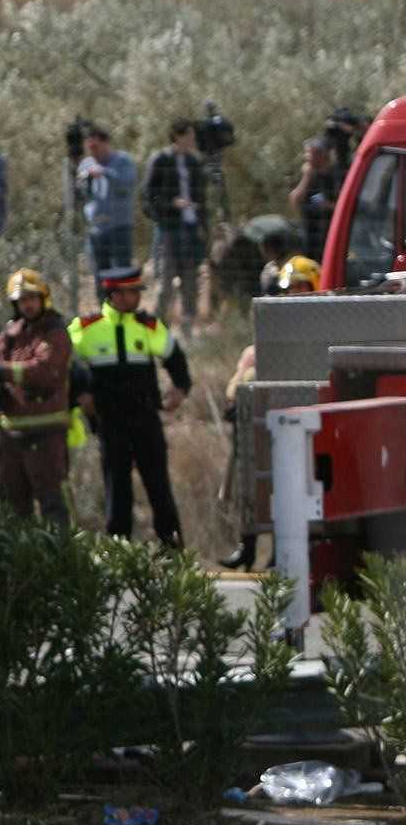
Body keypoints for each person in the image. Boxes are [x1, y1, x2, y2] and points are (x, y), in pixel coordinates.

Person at [69, 265, 190, 547]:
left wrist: (181, 388)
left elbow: (174, 356)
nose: (135, 298)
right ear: (113, 294)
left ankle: (172, 551)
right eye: (129, 292)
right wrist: (80, 394)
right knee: (117, 490)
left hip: (145, 418)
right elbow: (65, 362)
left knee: (159, 486)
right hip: (110, 421)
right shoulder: (86, 328)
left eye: (137, 291)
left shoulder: (148, 326)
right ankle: (118, 553)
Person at [220, 255, 319, 569]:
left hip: (305, 422)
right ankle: (247, 547)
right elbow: (236, 385)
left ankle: (281, 553)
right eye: (291, 289)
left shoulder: (321, 331)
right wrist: (242, 391)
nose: (296, 295)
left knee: (293, 486)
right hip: (267, 423)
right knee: (256, 483)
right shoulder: (262, 343)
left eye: (303, 287)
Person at [0, 269, 74, 525]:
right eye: (22, 300)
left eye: (32, 298)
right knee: (12, 504)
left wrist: (1, 371)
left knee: (52, 502)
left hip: (46, 433)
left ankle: (59, 560)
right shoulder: (11, 334)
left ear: (44, 299)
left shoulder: (55, 333)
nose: (28, 305)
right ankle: (19, 562)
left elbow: (45, 371)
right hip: (11, 435)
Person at [144, 119, 209, 340]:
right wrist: (172, 204)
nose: (192, 140)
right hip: (169, 229)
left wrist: (203, 226)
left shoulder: (193, 162)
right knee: (166, 281)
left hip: (191, 228)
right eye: (189, 136)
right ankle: (159, 329)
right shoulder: (161, 160)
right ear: (177, 136)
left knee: (190, 280)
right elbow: (149, 198)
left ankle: (188, 329)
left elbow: (202, 196)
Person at [77, 127, 140, 272]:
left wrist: (105, 173)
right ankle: (104, 296)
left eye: (95, 147)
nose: (93, 152)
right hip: (97, 228)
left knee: (122, 272)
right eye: (89, 148)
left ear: (106, 143)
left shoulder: (123, 161)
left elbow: (127, 184)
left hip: (119, 227)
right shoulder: (87, 164)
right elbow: (82, 195)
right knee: (101, 274)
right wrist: (86, 180)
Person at [289, 136, 343, 263]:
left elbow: (346, 206)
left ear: (322, 155)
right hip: (310, 240)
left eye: (309, 153)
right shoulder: (308, 176)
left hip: (332, 237)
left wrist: (328, 206)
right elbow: (295, 201)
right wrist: (307, 177)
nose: (306, 157)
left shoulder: (337, 176)